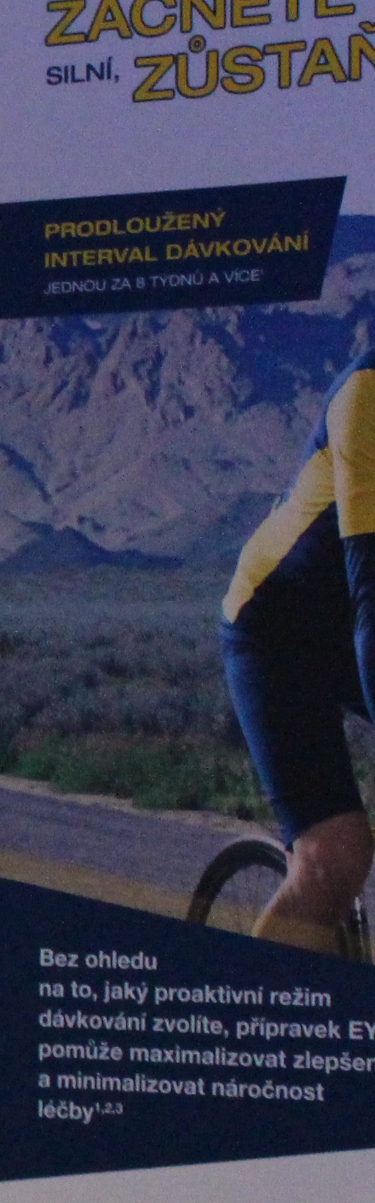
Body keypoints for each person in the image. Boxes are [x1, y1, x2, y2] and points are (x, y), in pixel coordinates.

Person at [219, 353, 375, 955]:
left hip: (341, 627)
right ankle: (254, 1009)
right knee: (335, 857)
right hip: (275, 631)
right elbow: (370, 602)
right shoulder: (366, 392)